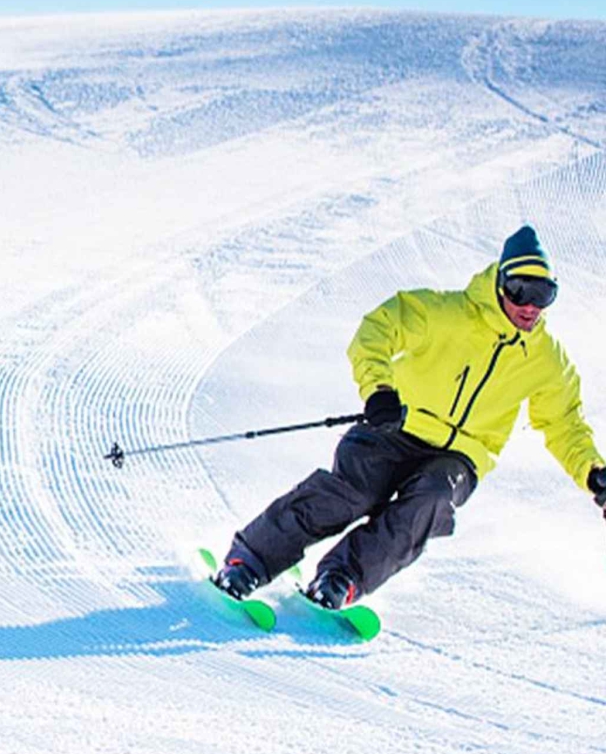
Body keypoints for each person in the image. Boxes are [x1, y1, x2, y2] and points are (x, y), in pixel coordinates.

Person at [213, 225, 606, 609]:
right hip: (395, 427)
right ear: (500, 282)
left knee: (430, 502)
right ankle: (248, 561)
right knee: (353, 492)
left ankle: (341, 577)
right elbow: (377, 330)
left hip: (460, 458)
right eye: (522, 290)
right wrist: (379, 390)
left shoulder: (546, 360)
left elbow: (563, 423)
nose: (531, 306)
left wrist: (592, 471)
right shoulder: (446, 312)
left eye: (544, 294)